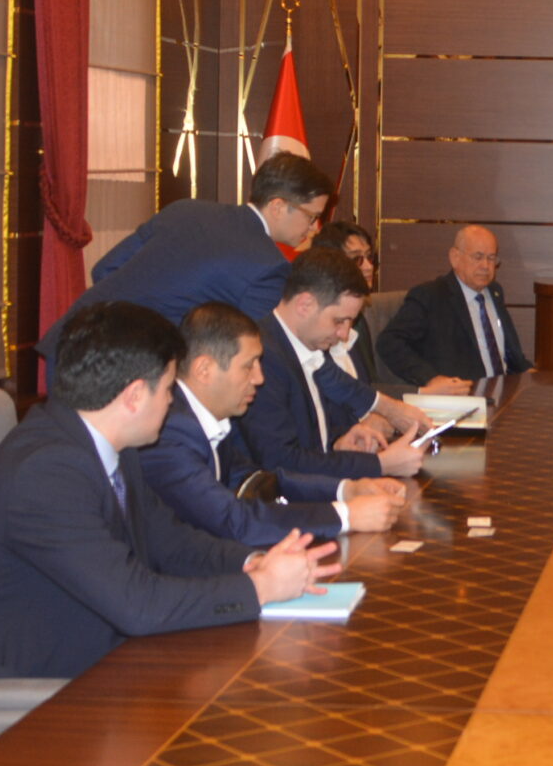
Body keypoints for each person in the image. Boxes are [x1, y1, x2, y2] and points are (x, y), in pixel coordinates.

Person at [0, 301, 337, 683]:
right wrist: (260, 589)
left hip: (82, 654)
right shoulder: (46, 472)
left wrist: (252, 562)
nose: (172, 403)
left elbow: (169, 541)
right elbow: (138, 605)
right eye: (168, 389)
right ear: (133, 396)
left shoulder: (108, 445)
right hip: (6, 690)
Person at [40, 152, 427, 442]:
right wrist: (382, 406)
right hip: (121, 376)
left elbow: (104, 269)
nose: (314, 228)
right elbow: (292, 354)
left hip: (71, 343)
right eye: (311, 216)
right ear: (278, 206)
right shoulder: (265, 265)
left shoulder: (186, 209)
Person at [137, 302, 410, 550]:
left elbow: (261, 481)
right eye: (249, 366)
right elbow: (234, 521)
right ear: (204, 370)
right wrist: (346, 515)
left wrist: (346, 490)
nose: (259, 378)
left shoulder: (206, 416)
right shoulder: (170, 433)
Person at [242, 250, 434, 480]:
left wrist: (338, 442)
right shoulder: (261, 359)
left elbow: (311, 439)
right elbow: (281, 463)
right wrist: (379, 465)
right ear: (305, 305)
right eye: (339, 321)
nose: (344, 334)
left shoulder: (306, 345)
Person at [377, 224, 531, 391]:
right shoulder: (431, 296)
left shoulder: (495, 292)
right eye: (478, 257)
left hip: (505, 390)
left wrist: (533, 375)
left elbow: (510, 355)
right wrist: (431, 379)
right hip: (463, 395)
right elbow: (389, 342)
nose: (486, 266)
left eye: (491, 258)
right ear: (455, 257)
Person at [309, 219, 385, 385]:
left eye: (369, 257)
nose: (368, 267)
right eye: (357, 259)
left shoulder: (358, 319)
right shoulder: (315, 324)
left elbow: (368, 384)